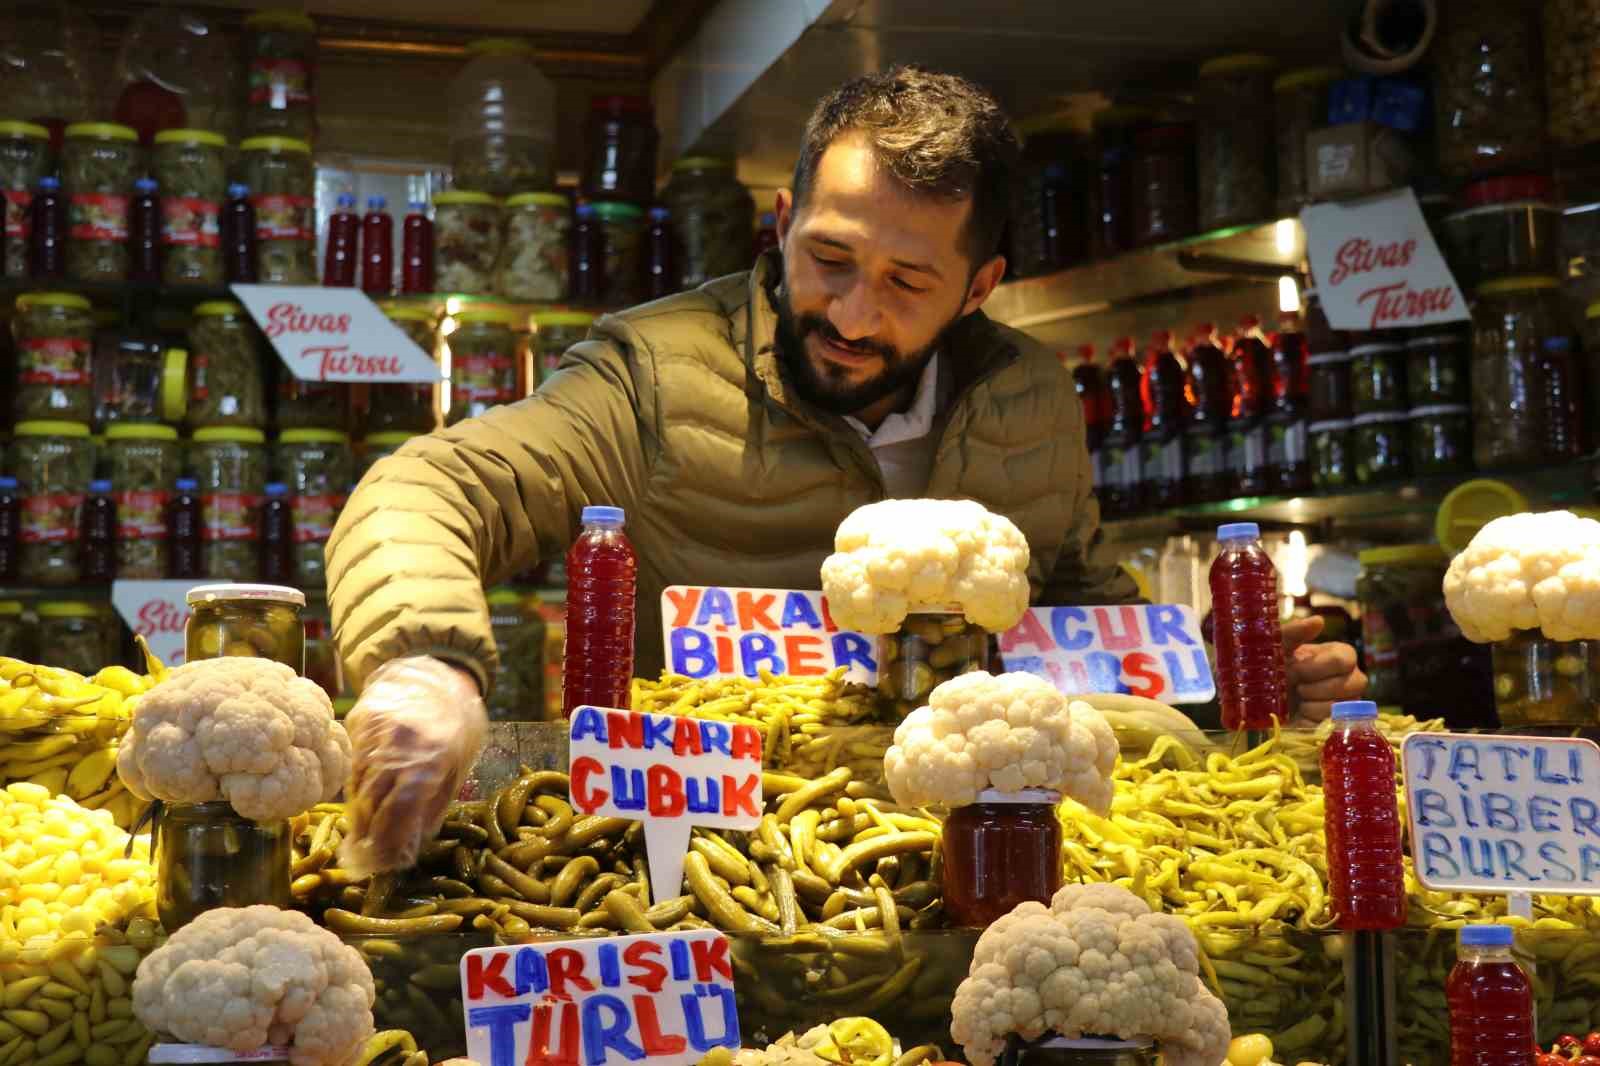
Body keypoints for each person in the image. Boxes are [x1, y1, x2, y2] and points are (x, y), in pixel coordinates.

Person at [327, 66, 1366, 873]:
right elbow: (433, 486)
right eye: (828, 258)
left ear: (979, 286)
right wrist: (425, 663)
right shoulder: (653, 371)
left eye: (907, 281)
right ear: (781, 222)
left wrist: (1210, 680)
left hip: (987, 852)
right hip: (703, 846)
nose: (853, 315)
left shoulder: (1030, 398)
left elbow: (1073, 614)